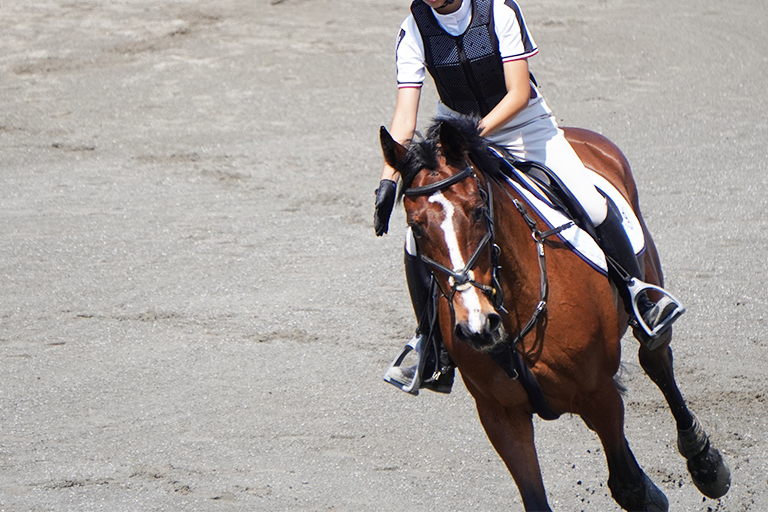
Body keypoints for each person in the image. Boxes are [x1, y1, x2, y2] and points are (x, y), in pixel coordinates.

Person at [375, 0, 684, 394]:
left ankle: (637, 296)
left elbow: (518, 93)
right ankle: (430, 344)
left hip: (524, 126)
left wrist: (473, 135)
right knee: (415, 239)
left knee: (592, 203)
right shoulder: (413, 29)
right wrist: (388, 180)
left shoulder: (499, 11)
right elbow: (405, 117)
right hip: (455, 140)